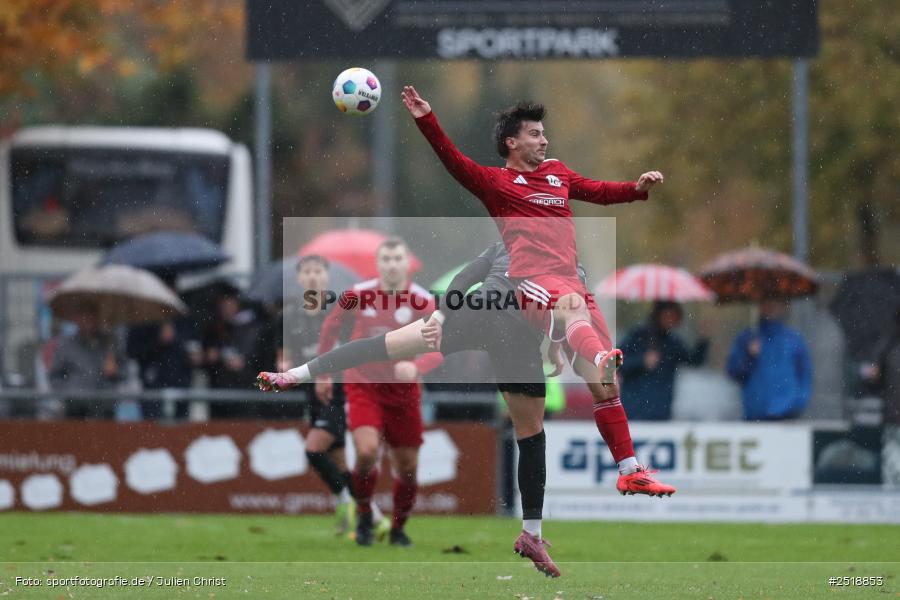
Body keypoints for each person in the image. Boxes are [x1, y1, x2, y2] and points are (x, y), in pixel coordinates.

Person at [399, 88, 674, 496]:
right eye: (535, 134)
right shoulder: (496, 182)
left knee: (604, 386)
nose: (544, 140)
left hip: (570, 278)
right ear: (512, 142)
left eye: (544, 134)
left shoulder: (558, 173)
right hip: (531, 278)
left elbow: (597, 191)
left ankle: (630, 469)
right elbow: (453, 162)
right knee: (573, 316)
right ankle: (590, 352)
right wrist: (427, 119)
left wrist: (634, 188)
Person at [315, 237, 442, 547]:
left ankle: (399, 528)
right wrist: (323, 372)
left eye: (397, 259)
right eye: (386, 259)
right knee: (367, 451)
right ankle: (364, 515)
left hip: (402, 392)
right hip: (363, 384)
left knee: (408, 465)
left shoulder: (422, 301)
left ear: (407, 262)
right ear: (378, 263)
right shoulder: (357, 295)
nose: (392, 265)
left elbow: (440, 345)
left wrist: (418, 367)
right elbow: (330, 329)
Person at [279, 255, 356, 536]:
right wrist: (284, 368)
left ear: (326, 276)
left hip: (337, 391)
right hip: (311, 393)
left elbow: (352, 351)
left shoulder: (340, 311)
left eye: (318, 271)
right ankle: (365, 515)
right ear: (300, 279)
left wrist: (328, 374)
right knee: (339, 460)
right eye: (307, 272)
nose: (312, 276)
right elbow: (284, 354)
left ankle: (345, 500)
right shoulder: (289, 316)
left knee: (313, 449)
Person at [619, 301, 709, 420]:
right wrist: (641, 361)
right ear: (658, 315)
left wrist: (703, 341)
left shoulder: (673, 342)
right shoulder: (637, 336)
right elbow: (616, 363)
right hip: (635, 408)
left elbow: (693, 361)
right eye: (667, 315)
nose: (670, 320)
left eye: (674, 316)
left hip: (661, 410)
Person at [726, 298, 813, 420]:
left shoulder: (793, 339)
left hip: (787, 416)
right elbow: (733, 371)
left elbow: (805, 375)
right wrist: (749, 357)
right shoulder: (748, 337)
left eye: (775, 302)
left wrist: (797, 404)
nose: (770, 307)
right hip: (755, 415)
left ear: (783, 306)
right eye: (766, 302)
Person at [49, 303, 125, 418]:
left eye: (92, 316)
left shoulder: (110, 343)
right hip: (75, 410)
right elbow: (55, 375)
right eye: (84, 316)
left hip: (104, 408)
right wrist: (69, 393)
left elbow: (125, 372)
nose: (88, 320)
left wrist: (115, 372)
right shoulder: (66, 344)